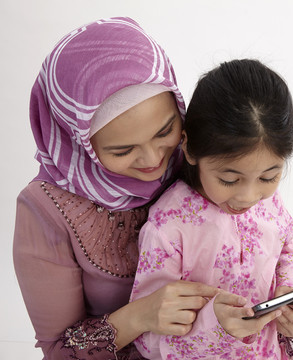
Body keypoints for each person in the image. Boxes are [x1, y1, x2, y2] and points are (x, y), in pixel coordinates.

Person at [12, 17, 222, 359]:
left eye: (165, 130)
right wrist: (141, 315)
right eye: (122, 151)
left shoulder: (197, 156)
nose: (154, 159)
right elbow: (58, 350)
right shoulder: (46, 210)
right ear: (78, 142)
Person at [130, 59, 293, 360]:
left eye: (269, 177)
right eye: (229, 179)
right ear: (190, 149)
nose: (249, 195)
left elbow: (287, 249)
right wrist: (214, 323)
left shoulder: (269, 202)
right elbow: (148, 338)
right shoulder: (169, 227)